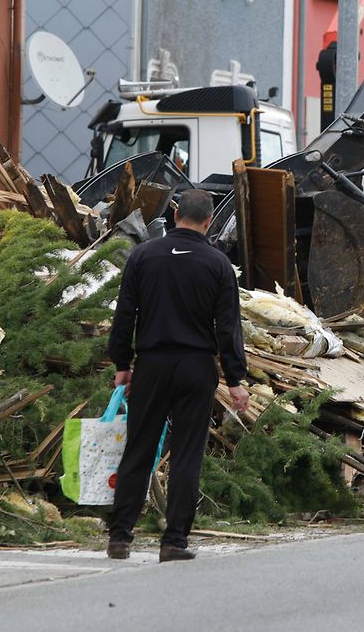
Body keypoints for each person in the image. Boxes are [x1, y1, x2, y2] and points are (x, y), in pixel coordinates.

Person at [105, 189, 250, 563]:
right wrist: (235, 379)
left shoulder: (142, 255)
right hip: (195, 367)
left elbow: (124, 314)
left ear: (174, 217)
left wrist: (122, 363)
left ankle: (119, 537)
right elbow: (228, 327)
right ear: (209, 221)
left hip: (151, 363)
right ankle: (174, 542)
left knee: (138, 448)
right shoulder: (217, 265)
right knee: (187, 454)